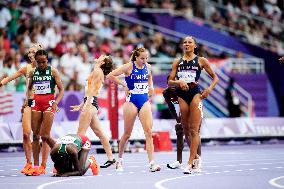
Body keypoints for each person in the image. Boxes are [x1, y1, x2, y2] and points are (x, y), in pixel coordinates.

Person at [168, 36, 218, 174]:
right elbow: (170, 82)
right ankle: (196, 158)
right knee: (186, 130)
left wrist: (208, 89)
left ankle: (190, 164)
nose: (187, 44)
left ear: (195, 46)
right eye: (184, 42)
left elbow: (215, 77)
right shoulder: (177, 61)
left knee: (194, 130)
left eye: (190, 42)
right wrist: (179, 82)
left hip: (195, 95)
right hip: (182, 95)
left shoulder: (201, 60)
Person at [107, 47, 161, 172]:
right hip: (131, 102)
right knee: (127, 134)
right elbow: (110, 75)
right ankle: (119, 159)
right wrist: (124, 85)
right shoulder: (128, 67)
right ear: (136, 57)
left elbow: (150, 78)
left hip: (144, 101)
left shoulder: (148, 67)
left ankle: (152, 162)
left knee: (148, 132)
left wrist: (151, 87)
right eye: (142, 58)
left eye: (146, 58)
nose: (144, 60)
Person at [0, 43, 49, 174]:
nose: (30, 54)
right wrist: (1, 83)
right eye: (29, 52)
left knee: (43, 136)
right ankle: (28, 163)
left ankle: (43, 166)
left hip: (43, 104)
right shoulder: (26, 69)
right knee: (26, 134)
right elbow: (10, 77)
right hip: (30, 104)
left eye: (33, 52)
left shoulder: (48, 68)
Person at [70, 55, 115, 168]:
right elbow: (89, 90)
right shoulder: (97, 70)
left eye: (102, 56)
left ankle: (75, 163)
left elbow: (92, 90)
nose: (99, 56)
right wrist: (81, 105)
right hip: (91, 103)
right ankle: (111, 158)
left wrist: (85, 105)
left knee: (80, 135)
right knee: (99, 132)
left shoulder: (97, 71)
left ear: (103, 62)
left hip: (90, 103)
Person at [25, 49, 64, 176]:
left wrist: (56, 102)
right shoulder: (33, 72)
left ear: (48, 60)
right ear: (35, 61)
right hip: (36, 104)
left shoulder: (53, 71)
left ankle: (61, 159)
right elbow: (30, 89)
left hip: (49, 104)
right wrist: (30, 101)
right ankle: (37, 167)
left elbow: (62, 90)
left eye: (44, 62)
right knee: (35, 135)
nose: (41, 65)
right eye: (39, 62)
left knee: (45, 136)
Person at [163, 76, 202, 170]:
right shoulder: (166, 93)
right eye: (171, 83)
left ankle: (198, 158)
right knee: (179, 131)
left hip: (194, 108)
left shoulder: (184, 88)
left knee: (194, 132)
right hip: (182, 111)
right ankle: (179, 161)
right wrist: (177, 119)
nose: (173, 85)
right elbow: (171, 107)